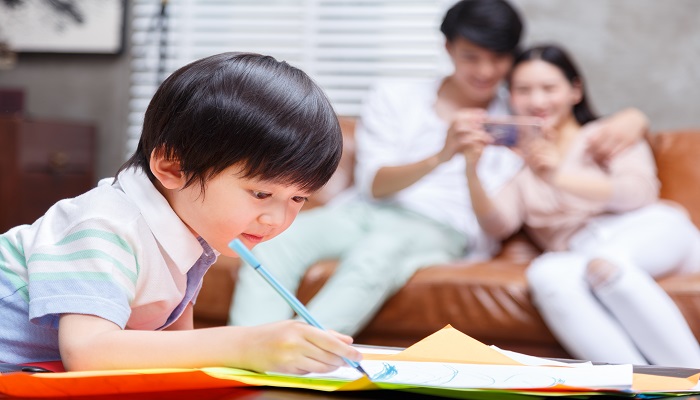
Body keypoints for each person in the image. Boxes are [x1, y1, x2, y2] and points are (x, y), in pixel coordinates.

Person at [229, 0, 650, 336]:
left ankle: (303, 351)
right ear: (448, 48)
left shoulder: (522, 114)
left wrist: (634, 117)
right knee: (273, 240)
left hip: (444, 228)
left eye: (498, 59)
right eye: (471, 57)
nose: (485, 72)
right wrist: (441, 155)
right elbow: (374, 186)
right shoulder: (396, 97)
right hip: (364, 211)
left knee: (379, 253)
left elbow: (583, 122)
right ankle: (245, 351)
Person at [0, 52, 364, 374]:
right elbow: (88, 351)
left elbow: (175, 350)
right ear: (173, 168)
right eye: (261, 193)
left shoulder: (193, 231)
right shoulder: (105, 224)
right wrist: (246, 345)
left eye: (298, 199)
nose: (277, 219)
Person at [462, 44, 700, 367]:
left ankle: (693, 379)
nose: (537, 101)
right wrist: (471, 169)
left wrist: (557, 176)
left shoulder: (606, 134)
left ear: (575, 90)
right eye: (523, 90)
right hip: (580, 253)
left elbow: (638, 194)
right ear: (510, 97)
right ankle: (639, 386)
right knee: (546, 274)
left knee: (606, 262)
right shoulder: (518, 165)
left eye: (549, 88)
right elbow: (497, 223)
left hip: (651, 230)